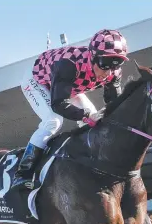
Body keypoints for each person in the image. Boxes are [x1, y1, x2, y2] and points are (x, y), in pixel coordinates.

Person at [11, 29, 129, 189]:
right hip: (37, 80)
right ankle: (22, 174)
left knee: (94, 120)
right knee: (53, 120)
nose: (108, 71)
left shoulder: (113, 73)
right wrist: (86, 115)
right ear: (93, 56)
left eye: (116, 64)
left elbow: (115, 106)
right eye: (105, 64)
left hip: (69, 86)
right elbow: (58, 103)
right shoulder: (69, 64)